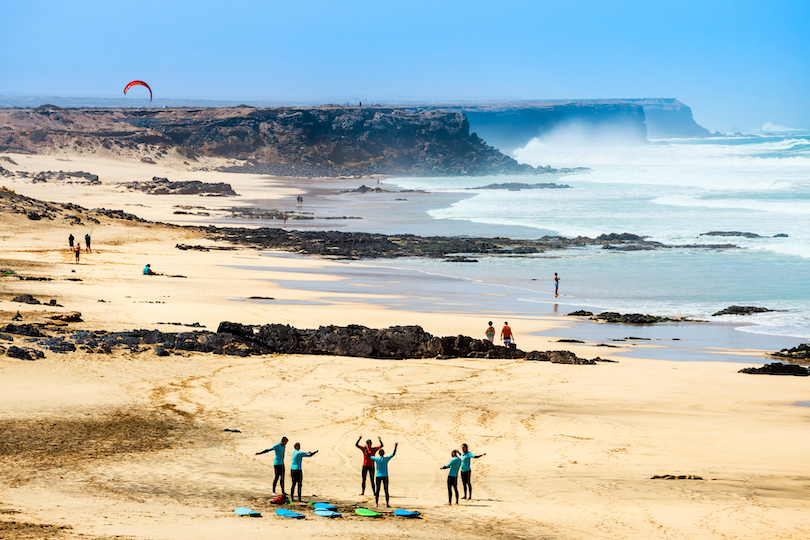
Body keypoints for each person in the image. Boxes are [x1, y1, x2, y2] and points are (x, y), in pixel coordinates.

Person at [371, 442, 398, 507]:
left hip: (378, 476)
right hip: (385, 476)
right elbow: (393, 454)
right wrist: (395, 446)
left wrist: (366, 449)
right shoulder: (386, 459)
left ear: (379, 454)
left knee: (378, 490)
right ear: (384, 454)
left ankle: (376, 503)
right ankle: (387, 504)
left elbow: (369, 456)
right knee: (386, 490)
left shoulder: (377, 459)